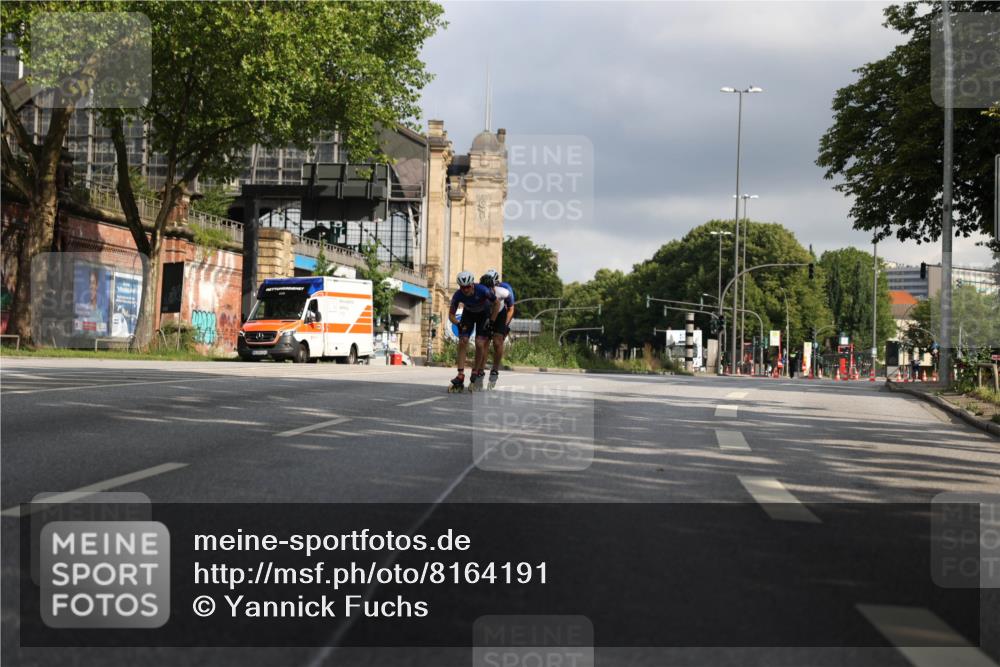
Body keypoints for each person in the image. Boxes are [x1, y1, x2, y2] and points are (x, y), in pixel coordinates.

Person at [448, 271, 500, 391]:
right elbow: (451, 315)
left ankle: (476, 371)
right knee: (463, 340)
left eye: (467, 287)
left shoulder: (483, 290)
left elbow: (496, 303)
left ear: (472, 285)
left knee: (479, 343)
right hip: (469, 315)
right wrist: (458, 324)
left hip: (483, 314)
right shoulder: (457, 295)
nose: (465, 290)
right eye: (462, 287)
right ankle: (460, 375)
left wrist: (492, 321)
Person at [478, 269, 515, 388]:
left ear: (496, 284)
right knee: (484, 342)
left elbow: (510, 309)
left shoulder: (504, 291)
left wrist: (505, 326)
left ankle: (494, 370)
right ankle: (480, 371)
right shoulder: (481, 290)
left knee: (498, 342)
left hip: (500, 314)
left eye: (491, 286)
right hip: (486, 313)